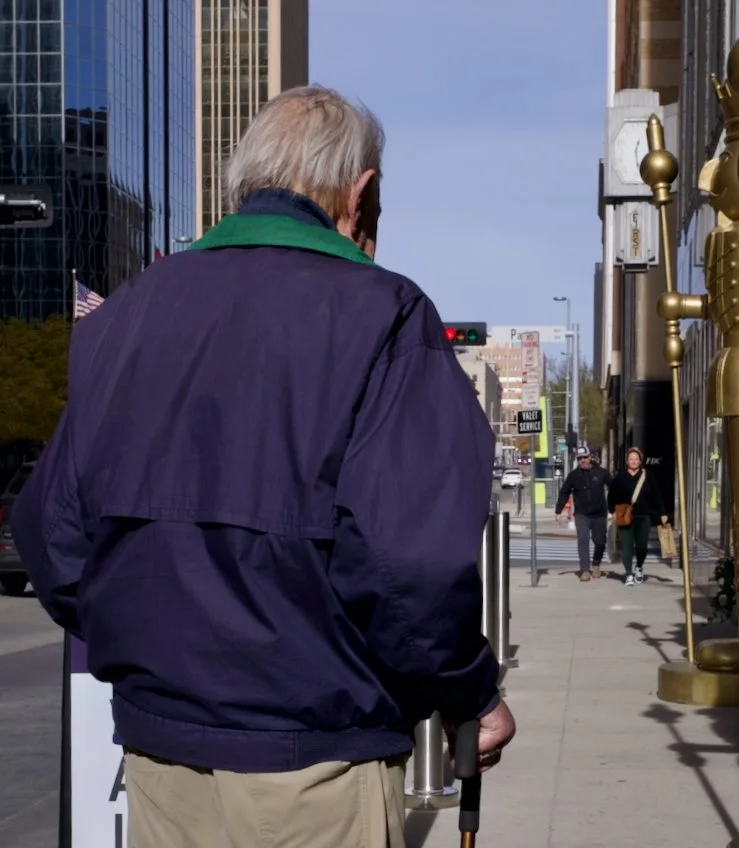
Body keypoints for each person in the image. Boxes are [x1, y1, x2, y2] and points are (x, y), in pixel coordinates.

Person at [11, 86, 516, 848]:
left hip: (160, 760)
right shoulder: (385, 313)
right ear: (362, 192)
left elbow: (54, 541)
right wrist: (470, 692)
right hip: (312, 760)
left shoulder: (127, 314)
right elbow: (407, 565)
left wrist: (155, 650)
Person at [607, 447, 668, 587]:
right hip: (624, 516)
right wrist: (612, 510)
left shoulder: (648, 475)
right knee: (627, 546)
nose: (633, 461)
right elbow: (612, 495)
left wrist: (662, 513)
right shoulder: (620, 476)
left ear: (640, 461)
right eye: (631, 459)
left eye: (636, 459)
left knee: (641, 546)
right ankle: (628, 574)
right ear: (627, 461)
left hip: (644, 515)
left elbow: (657, 495)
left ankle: (639, 567)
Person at [555, 446, 613, 581]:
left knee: (600, 542)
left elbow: (613, 487)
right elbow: (564, 492)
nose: (583, 461)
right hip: (582, 515)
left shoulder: (601, 472)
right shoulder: (573, 475)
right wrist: (558, 510)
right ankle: (585, 570)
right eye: (580, 458)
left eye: (585, 457)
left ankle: (596, 564)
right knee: (583, 540)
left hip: (599, 514)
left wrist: (614, 505)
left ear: (590, 457)